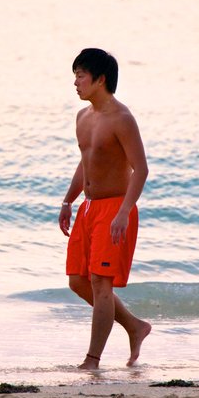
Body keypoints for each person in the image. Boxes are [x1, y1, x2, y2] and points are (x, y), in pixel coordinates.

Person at [59, 48, 151, 370]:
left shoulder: (122, 119)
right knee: (77, 280)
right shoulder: (83, 118)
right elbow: (86, 162)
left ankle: (92, 360)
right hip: (89, 208)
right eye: (75, 75)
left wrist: (125, 211)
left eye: (81, 76)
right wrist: (68, 201)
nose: (75, 82)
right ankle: (135, 326)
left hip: (114, 208)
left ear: (100, 79)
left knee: (101, 283)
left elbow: (141, 169)